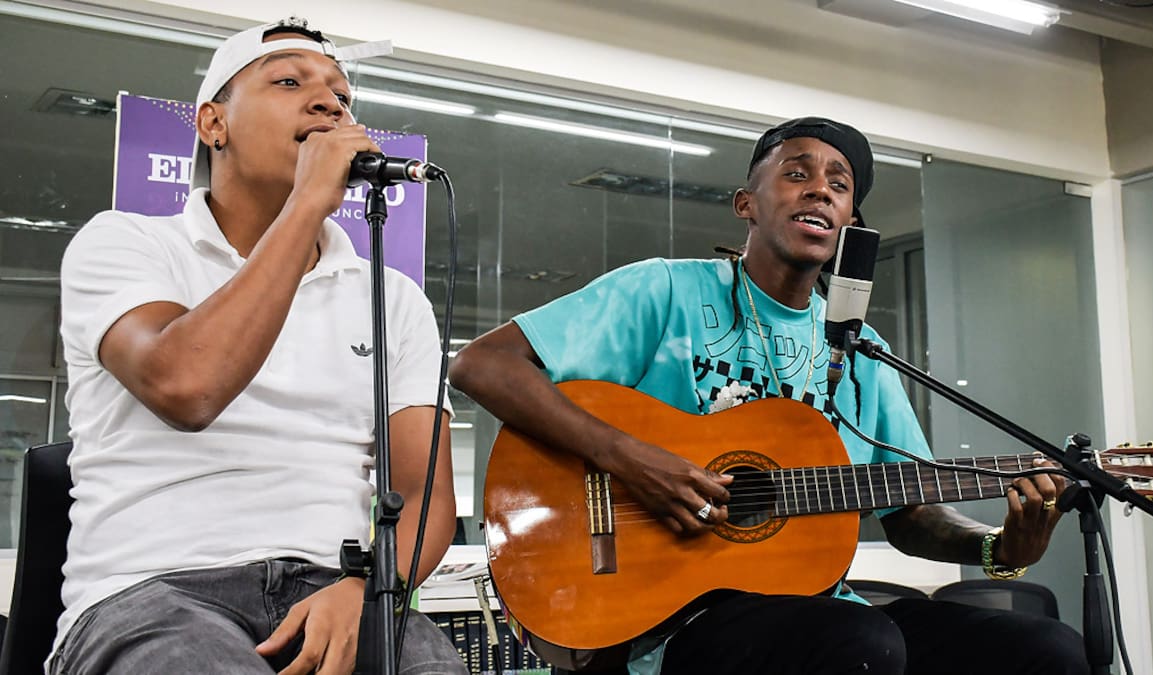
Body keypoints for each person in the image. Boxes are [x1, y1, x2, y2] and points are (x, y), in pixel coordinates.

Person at [449, 117, 1089, 674]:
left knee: (1046, 649)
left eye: (840, 185)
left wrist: (998, 548)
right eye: (797, 173)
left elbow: (910, 512)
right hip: (673, 622)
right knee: (861, 641)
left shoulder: (860, 350)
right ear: (746, 203)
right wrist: (632, 459)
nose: (820, 190)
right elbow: (483, 365)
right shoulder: (664, 292)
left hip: (821, 612)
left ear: (849, 224)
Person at [53, 17, 468, 675]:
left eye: (341, 95)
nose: (329, 103)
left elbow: (426, 495)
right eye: (289, 82)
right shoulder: (125, 244)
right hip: (154, 591)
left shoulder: (394, 298)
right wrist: (307, 204)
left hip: (332, 590)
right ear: (213, 123)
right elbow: (187, 387)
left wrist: (366, 588)